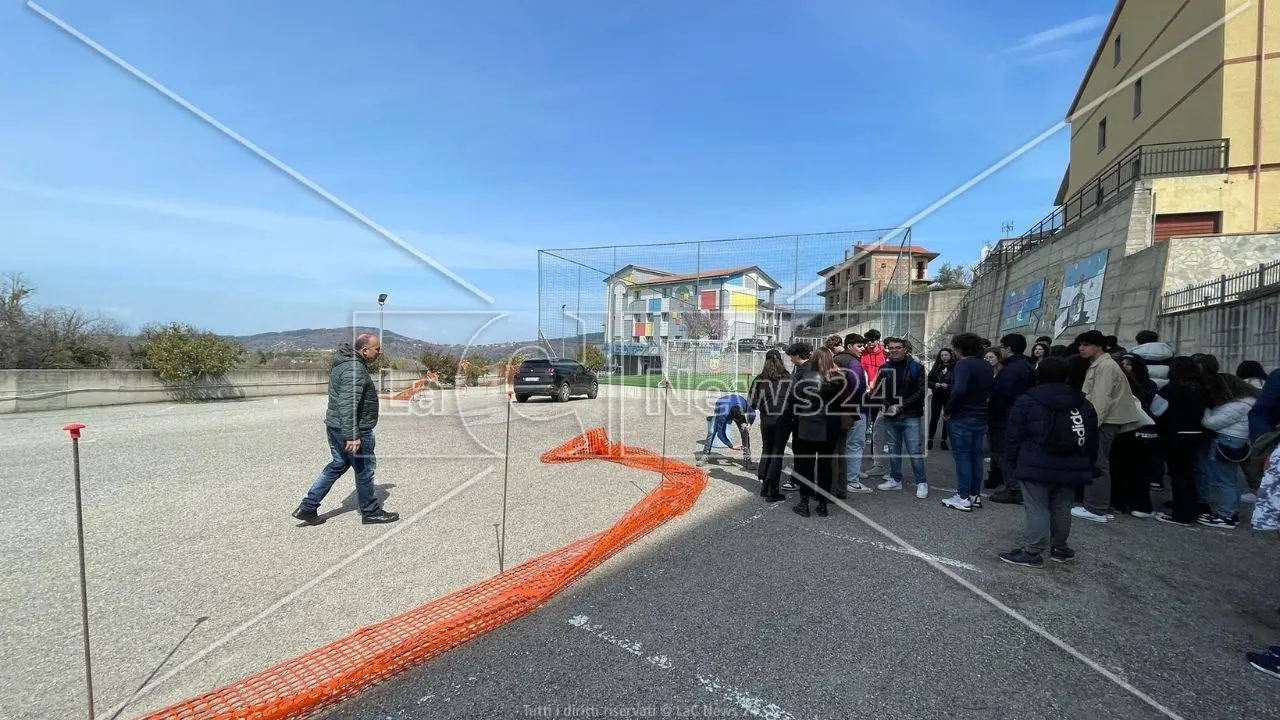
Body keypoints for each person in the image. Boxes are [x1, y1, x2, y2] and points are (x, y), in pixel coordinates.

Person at [997, 357, 1099, 568]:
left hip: (1036, 461)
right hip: (1072, 462)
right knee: (1063, 505)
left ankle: (1033, 550)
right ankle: (1059, 547)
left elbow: (1013, 435)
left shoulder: (1027, 400)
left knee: (1037, 506)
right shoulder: (1082, 402)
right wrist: (1087, 461)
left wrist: (1013, 460)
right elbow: (1090, 436)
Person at [293, 334, 400, 526]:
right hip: (353, 429)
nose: (380, 351)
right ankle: (371, 512)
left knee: (338, 464)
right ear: (365, 350)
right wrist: (352, 436)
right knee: (365, 469)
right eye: (377, 348)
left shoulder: (343, 363)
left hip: (335, 425)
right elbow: (348, 403)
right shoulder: (354, 369)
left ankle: (308, 507)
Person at [1071, 330, 1142, 524]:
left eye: (1086, 344)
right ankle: (1098, 504)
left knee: (1097, 462)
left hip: (1104, 421)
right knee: (1098, 461)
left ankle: (1096, 507)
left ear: (1099, 346)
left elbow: (1102, 400)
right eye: (1080, 344)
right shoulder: (1102, 365)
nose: (1081, 348)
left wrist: (1091, 425)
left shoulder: (1106, 367)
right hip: (1104, 419)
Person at [786, 347, 848, 517]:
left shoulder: (805, 377)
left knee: (806, 465)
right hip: (830, 427)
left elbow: (793, 400)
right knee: (825, 466)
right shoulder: (839, 379)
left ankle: (804, 502)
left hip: (808, 425)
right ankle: (822, 503)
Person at [1153, 357, 1210, 527]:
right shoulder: (1201, 388)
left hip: (1175, 435)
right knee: (1188, 474)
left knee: (1178, 475)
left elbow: (1157, 409)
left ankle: (1182, 513)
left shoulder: (1172, 389)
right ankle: (1190, 506)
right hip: (1196, 434)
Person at [941, 333, 993, 512]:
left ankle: (962, 497)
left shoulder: (963, 364)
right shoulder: (986, 365)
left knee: (962, 456)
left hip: (963, 416)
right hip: (980, 415)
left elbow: (959, 390)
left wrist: (948, 411)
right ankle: (974, 495)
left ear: (959, 348)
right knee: (975, 456)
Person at [871, 338, 929, 498]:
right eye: (891, 348)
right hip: (890, 415)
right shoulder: (884, 368)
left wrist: (900, 406)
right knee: (893, 449)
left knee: (914, 450)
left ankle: (921, 482)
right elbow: (877, 390)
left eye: (898, 347)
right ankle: (895, 479)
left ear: (905, 349)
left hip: (910, 415)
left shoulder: (917, 367)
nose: (894, 350)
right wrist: (888, 406)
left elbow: (921, 391)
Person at [1199, 373, 1259, 527]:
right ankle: (1231, 512)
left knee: (1224, 480)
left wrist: (1206, 410)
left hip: (1227, 441)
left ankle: (1226, 515)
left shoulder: (1236, 406)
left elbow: (1210, 423)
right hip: (1238, 441)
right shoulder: (1249, 402)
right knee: (1231, 480)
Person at [988, 334, 1038, 505]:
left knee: (1003, 452)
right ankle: (1012, 485)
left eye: (1002, 347)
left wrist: (992, 410)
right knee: (1008, 452)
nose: (1000, 350)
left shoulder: (1013, 368)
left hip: (1007, 417)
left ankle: (1014, 488)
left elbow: (1002, 394)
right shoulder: (1026, 365)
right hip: (1019, 415)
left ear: (1008, 348)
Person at [1110, 354, 1158, 517]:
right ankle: (1134, 505)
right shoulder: (1132, 383)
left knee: (1132, 469)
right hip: (1134, 426)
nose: (1125, 367)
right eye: (1123, 363)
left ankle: (1126, 504)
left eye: (1128, 364)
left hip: (1135, 427)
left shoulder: (1141, 384)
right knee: (1129, 469)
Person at [749, 349, 792, 502]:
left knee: (767, 449)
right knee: (777, 453)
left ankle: (765, 486)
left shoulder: (760, 379)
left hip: (767, 419)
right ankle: (772, 489)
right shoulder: (789, 378)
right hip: (783, 419)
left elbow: (752, 403)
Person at [837, 333, 873, 494]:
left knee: (841, 446)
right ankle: (852, 480)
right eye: (859, 346)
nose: (863, 348)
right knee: (855, 445)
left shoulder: (835, 359)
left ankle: (843, 477)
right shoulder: (853, 363)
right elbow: (858, 387)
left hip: (836, 410)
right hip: (855, 410)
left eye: (863, 345)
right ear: (849, 346)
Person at [778, 341, 814, 491]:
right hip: (809, 417)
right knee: (804, 452)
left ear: (797, 355)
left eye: (792, 356)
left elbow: (796, 396)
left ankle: (799, 481)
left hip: (802, 418)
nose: (791, 359)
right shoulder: (808, 369)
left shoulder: (804, 373)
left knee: (801, 451)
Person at [697, 392, 756, 467]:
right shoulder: (723, 413)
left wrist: (749, 423)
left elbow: (753, 412)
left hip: (736, 401)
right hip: (721, 404)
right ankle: (705, 455)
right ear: (730, 417)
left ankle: (747, 459)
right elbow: (720, 433)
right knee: (712, 431)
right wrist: (731, 446)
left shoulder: (744, 404)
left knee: (745, 431)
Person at [860, 329, 889, 479]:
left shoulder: (884, 354)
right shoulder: (863, 353)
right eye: (867, 341)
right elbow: (861, 371)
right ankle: (858, 453)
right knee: (863, 423)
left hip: (879, 394)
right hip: (865, 393)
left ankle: (875, 456)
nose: (869, 344)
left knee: (878, 426)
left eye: (872, 340)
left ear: (878, 340)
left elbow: (886, 374)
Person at [926, 348, 956, 451]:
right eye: (942, 355)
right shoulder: (936, 367)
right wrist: (935, 384)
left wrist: (948, 386)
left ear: (951, 355)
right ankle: (930, 439)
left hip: (949, 397)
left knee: (946, 418)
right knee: (934, 418)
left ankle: (944, 440)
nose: (944, 357)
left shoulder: (956, 367)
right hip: (937, 396)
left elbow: (958, 384)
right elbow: (928, 381)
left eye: (946, 355)